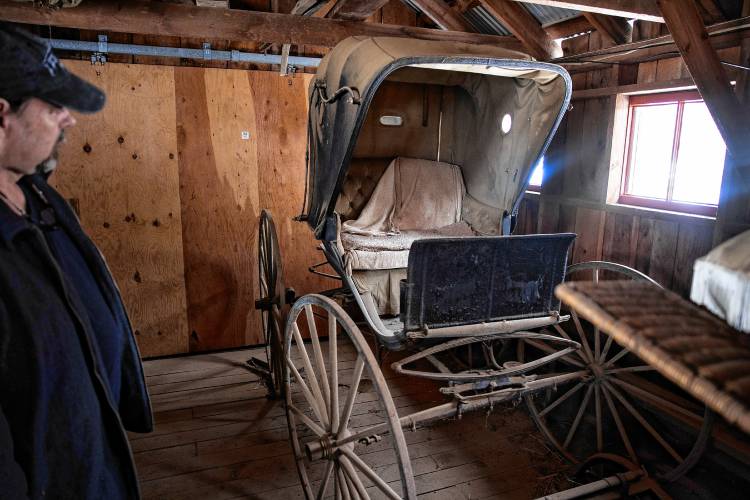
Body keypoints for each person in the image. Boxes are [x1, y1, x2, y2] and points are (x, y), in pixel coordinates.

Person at [0, 23, 152, 499]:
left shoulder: (38, 196)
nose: (68, 120)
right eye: (52, 106)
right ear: (1, 117)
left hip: (95, 457)